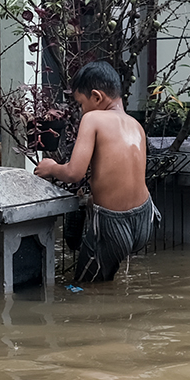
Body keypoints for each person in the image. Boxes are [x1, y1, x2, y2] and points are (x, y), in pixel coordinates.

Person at [35, 62, 154, 283]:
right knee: (104, 278)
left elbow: (74, 173)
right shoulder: (135, 124)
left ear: (97, 97)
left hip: (113, 225)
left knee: (82, 288)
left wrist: (51, 168)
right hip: (144, 219)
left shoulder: (93, 119)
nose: (81, 110)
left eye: (81, 103)